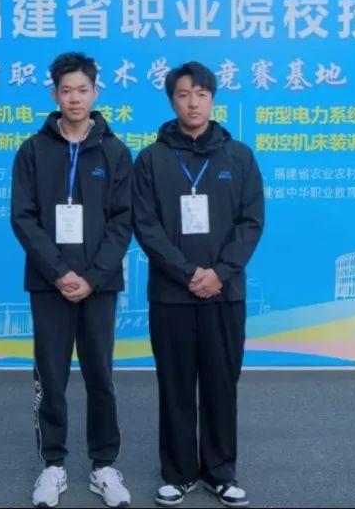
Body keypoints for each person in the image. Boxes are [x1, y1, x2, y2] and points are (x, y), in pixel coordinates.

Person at [131, 61, 265, 508]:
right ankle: (178, 473)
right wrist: (188, 273)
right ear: (172, 100)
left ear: (213, 99)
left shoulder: (239, 156)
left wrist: (219, 272)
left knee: (221, 384)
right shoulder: (151, 159)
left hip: (225, 293)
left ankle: (221, 472)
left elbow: (251, 222)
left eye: (201, 94)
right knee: (175, 384)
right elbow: (146, 226)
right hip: (171, 295)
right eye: (184, 94)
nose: (193, 103)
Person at [10, 52, 134, 508]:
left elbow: (124, 221)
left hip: (99, 286)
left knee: (101, 373)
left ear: (95, 93)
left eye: (83, 90)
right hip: (49, 284)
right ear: (54, 94)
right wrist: (60, 272)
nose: (75, 98)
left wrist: (93, 277)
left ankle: (104, 465)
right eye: (66, 90)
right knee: (51, 375)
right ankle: (53, 465)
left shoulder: (115, 152)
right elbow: (23, 218)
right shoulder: (33, 150)